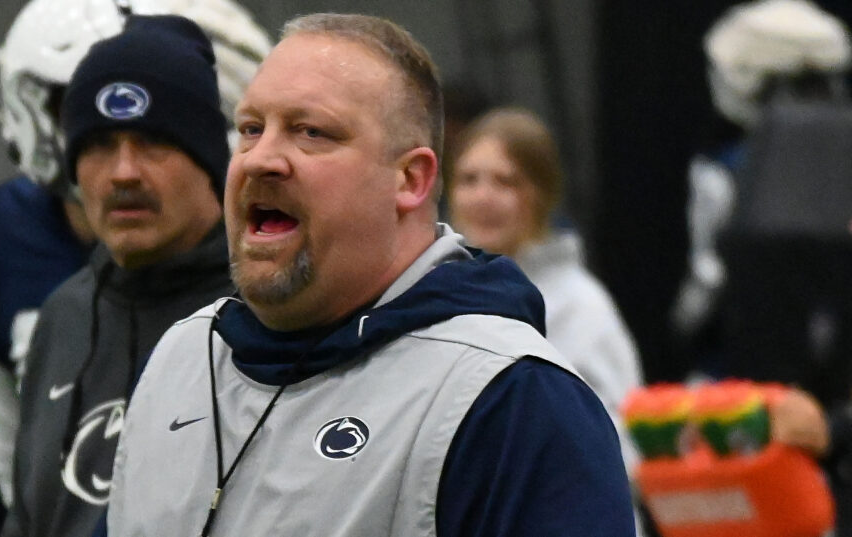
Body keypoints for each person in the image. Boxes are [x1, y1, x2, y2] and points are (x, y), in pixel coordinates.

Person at [109, 13, 634, 537]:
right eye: (250, 129)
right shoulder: (179, 358)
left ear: (409, 179)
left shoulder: (513, 400)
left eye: (310, 131)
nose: (261, 158)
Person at [0, 0, 270, 510]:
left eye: (153, 140)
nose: (124, 171)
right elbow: (12, 468)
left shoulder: (266, 272)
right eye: (98, 140)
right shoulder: (31, 277)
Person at [445, 106, 647, 533]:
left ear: (541, 193)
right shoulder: (436, 295)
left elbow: (623, 447)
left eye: (505, 182)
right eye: (469, 179)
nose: (482, 197)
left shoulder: (582, 306)